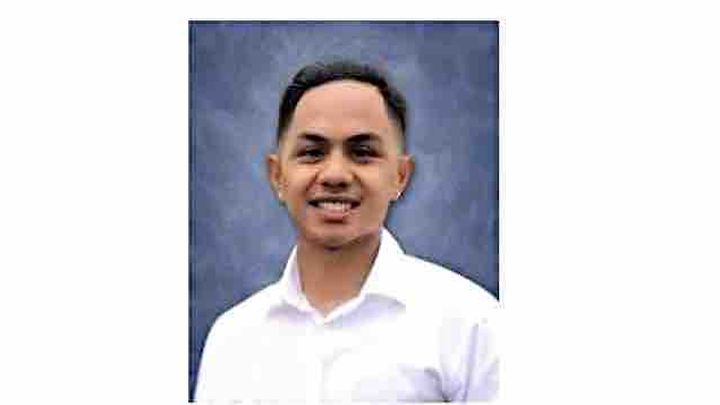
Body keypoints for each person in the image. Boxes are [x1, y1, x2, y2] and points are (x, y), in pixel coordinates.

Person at [194, 60, 498, 402]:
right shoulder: (232, 340)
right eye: (312, 153)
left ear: (400, 176)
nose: (335, 175)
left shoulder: (471, 326)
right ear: (277, 176)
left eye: (362, 153)